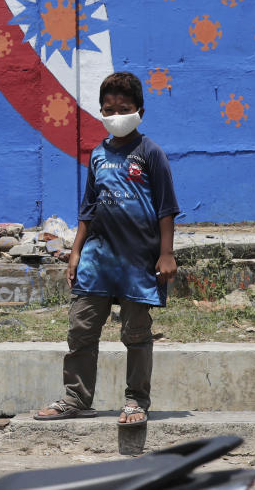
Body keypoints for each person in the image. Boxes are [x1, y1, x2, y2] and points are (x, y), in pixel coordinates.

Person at [34, 71, 179, 427]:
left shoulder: (151, 153)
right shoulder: (97, 156)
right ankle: (76, 397)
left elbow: (166, 208)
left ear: (140, 111)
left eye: (124, 108)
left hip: (139, 262)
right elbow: (88, 208)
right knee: (81, 329)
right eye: (109, 109)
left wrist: (166, 253)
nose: (116, 115)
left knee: (136, 334)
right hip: (97, 260)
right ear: (100, 111)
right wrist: (75, 252)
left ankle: (135, 401)